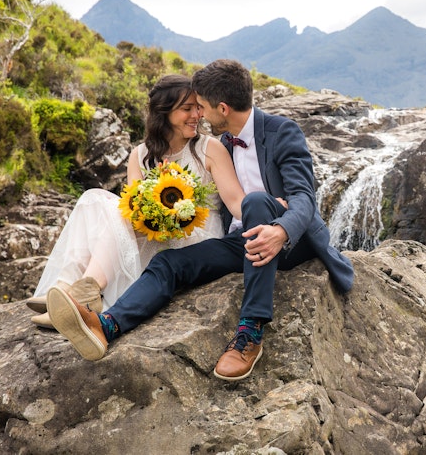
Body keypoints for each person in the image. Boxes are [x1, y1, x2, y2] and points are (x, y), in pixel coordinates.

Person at [46, 59, 354, 380]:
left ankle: (249, 332)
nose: (199, 115)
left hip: (292, 240)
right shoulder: (220, 145)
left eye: (202, 107)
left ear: (222, 108)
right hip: (241, 241)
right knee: (169, 263)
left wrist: (280, 229)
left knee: (258, 203)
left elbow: (305, 200)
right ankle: (106, 325)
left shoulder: (282, 132)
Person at [27, 74, 245, 328]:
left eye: (198, 107)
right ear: (164, 112)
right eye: (187, 108)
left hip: (196, 238)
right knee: (93, 199)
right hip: (153, 235)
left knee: (115, 214)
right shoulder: (140, 154)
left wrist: (274, 214)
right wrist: (155, 212)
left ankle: (79, 295)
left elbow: (235, 202)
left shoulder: (209, 148)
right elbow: (133, 210)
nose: (197, 115)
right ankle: (70, 289)